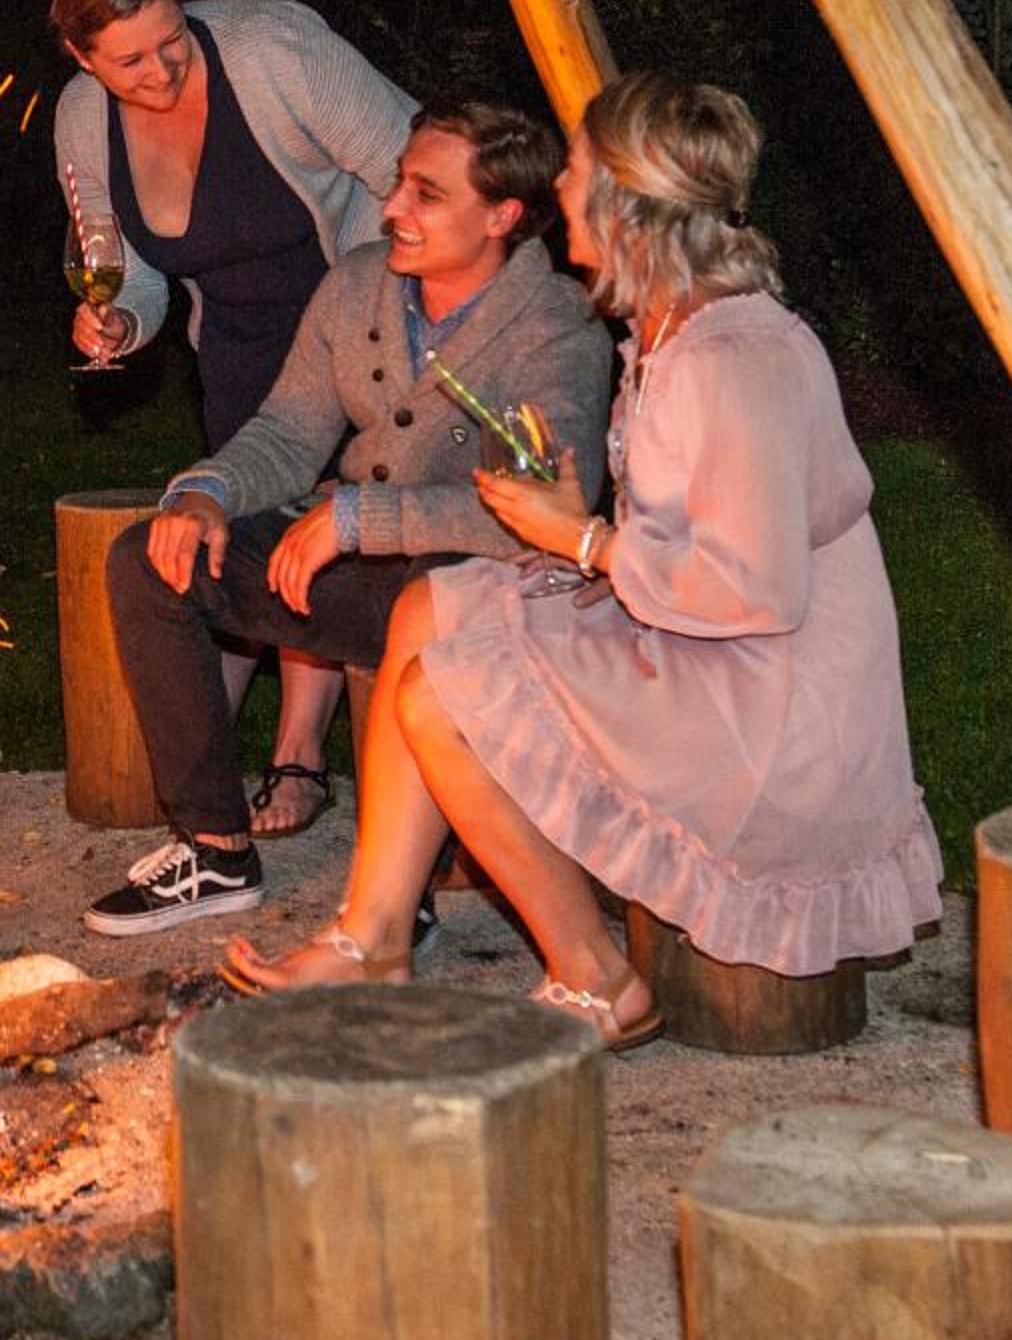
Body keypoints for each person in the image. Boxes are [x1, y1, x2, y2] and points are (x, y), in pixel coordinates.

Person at [226, 75, 945, 1044]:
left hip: (772, 708)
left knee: (443, 698)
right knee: (431, 607)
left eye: (573, 170)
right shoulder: (668, 322)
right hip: (700, 641)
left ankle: (596, 977)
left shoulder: (737, 359)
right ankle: (373, 936)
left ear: (624, 203)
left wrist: (585, 540)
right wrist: (578, 529)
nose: (557, 185)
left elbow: (757, 591)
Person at [80, 101, 612, 936]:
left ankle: (404, 891)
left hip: (481, 598)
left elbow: (546, 512)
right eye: (400, 183)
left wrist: (363, 517)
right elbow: (290, 432)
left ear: (502, 215)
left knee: (434, 595)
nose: (393, 208)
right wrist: (206, 494)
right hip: (350, 570)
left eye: (426, 194)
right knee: (152, 560)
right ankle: (215, 849)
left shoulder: (556, 327)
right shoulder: (360, 284)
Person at [51, 0, 416, 837]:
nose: (162, 70)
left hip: (360, 322)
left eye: (172, 39)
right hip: (238, 346)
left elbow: (420, 167)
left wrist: (383, 297)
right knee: (249, 534)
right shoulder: (81, 121)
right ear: (81, 59)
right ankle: (233, 779)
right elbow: (129, 268)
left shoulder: (275, 52)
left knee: (324, 534)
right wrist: (120, 321)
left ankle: (301, 756)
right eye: (130, 61)